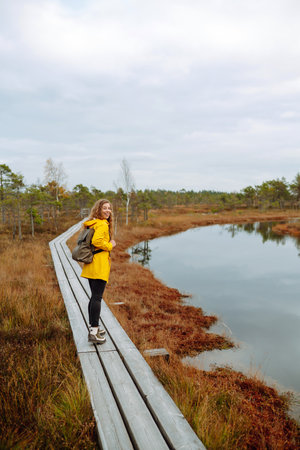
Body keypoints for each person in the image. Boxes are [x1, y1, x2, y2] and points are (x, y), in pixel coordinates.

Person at [81, 199, 116, 344]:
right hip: (99, 265)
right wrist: (110, 245)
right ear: (98, 210)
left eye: (109, 208)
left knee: (94, 297)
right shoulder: (102, 224)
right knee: (97, 298)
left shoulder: (93, 222)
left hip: (91, 264)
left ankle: (93, 328)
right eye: (105, 208)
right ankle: (94, 332)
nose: (108, 211)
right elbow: (97, 242)